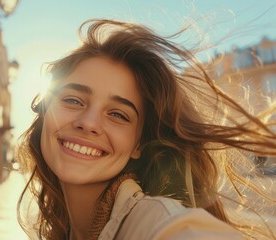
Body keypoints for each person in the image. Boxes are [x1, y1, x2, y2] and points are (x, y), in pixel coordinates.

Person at [16, 19, 276, 240]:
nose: (89, 123)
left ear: (138, 144)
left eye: (118, 114)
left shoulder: (156, 223)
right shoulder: (65, 228)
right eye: (73, 100)